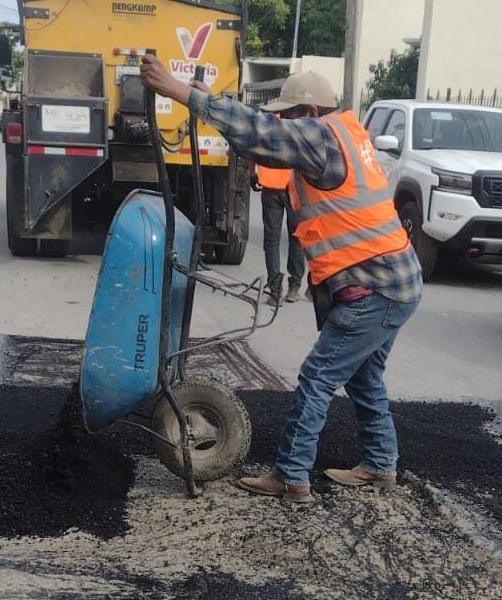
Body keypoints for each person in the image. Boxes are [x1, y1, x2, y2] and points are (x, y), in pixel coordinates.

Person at [140, 56, 423, 503]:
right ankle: (380, 465)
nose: (286, 125)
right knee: (365, 377)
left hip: (376, 285)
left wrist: (182, 94)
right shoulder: (346, 134)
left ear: (311, 114)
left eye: (291, 116)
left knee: (318, 376)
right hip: (392, 279)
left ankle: (292, 476)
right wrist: (209, 104)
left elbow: (263, 134)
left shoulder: (321, 136)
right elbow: (258, 139)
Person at [253, 163, 304, 304]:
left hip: (270, 186)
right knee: (296, 238)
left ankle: (275, 292)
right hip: (295, 187)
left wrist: (252, 173)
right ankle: (294, 288)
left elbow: (252, 151)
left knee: (271, 241)